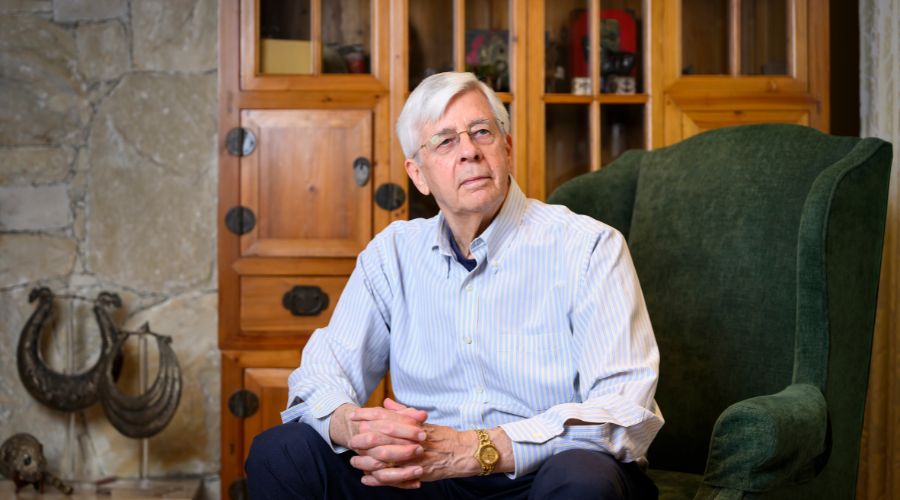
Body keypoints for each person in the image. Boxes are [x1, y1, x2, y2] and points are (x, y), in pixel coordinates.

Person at [245, 71, 664, 499]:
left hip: (540, 474)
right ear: (418, 174)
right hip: (426, 477)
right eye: (445, 141)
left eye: (482, 132)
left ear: (507, 148)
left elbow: (623, 410)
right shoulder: (392, 255)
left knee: (584, 480)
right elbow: (318, 377)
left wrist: (477, 448)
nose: (469, 152)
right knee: (281, 453)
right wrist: (355, 427)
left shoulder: (589, 247)